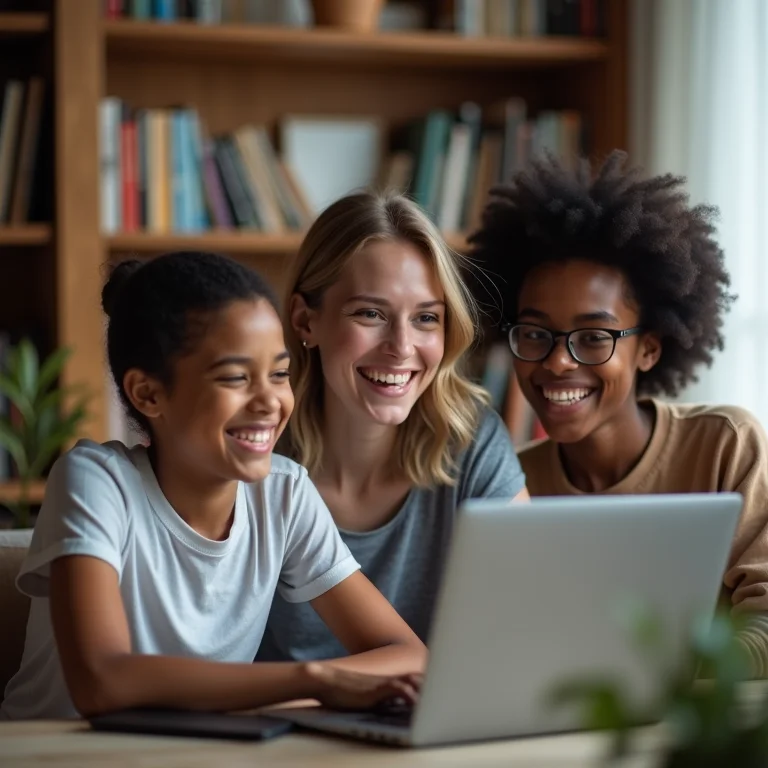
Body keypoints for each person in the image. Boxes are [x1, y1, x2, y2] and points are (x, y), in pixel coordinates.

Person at [1, 251, 427, 721]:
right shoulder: (96, 483)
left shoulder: (283, 495)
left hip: (195, 751)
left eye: (280, 373)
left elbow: (407, 653)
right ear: (148, 393)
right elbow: (102, 682)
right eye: (235, 378)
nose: (270, 401)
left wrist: (296, 695)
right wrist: (316, 681)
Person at [468, 150, 768, 677]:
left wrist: (638, 681)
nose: (558, 361)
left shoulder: (726, 447)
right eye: (536, 334)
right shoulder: (510, 486)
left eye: (593, 337)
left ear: (648, 349)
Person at [256, 192, 528, 665]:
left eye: (426, 318)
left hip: (429, 723)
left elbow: (531, 613)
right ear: (305, 320)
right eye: (371, 314)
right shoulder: (254, 453)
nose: (402, 347)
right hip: (274, 725)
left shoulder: (470, 440)